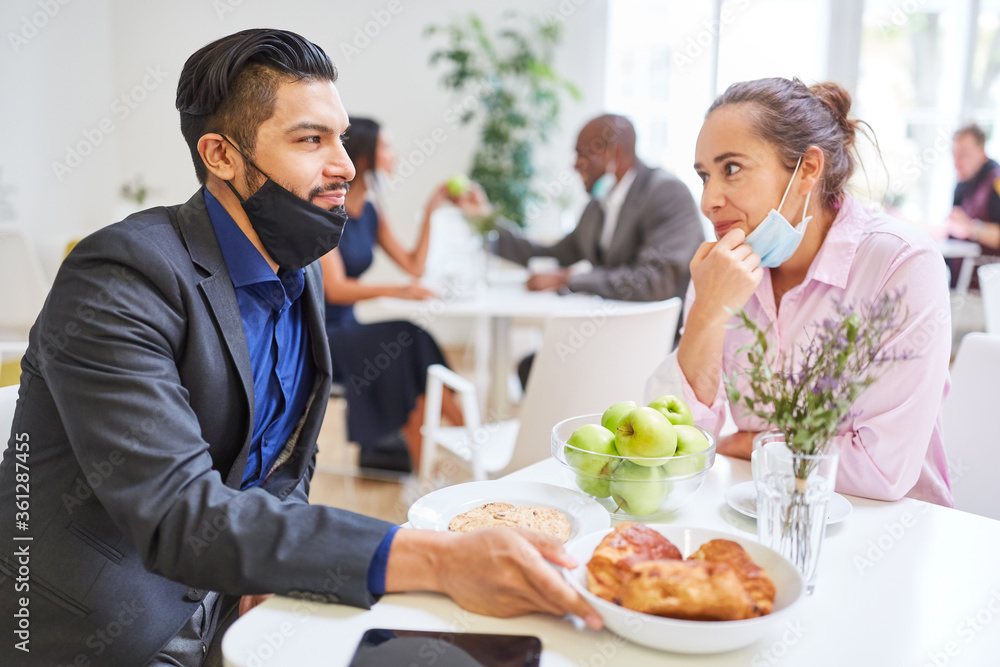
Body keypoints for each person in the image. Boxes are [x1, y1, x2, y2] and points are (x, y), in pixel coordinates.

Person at [0, 29, 600, 667]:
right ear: (221, 155)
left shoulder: (300, 264)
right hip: (107, 631)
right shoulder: (121, 276)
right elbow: (179, 514)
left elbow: (286, 463)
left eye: (340, 136)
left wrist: (271, 564)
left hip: (244, 604)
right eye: (311, 139)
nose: (343, 162)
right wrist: (437, 558)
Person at [648, 77, 953, 507]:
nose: (708, 200)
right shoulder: (720, 272)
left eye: (731, 168)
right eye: (704, 176)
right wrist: (708, 314)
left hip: (891, 529)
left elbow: (882, 471)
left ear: (809, 169)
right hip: (756, 512)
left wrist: (756, 444)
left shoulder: (901, 263)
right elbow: (668, 453)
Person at [458, 114, 704, 386]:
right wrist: (485, 219)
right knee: (534, 368)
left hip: (658, 347)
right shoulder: (598, 207)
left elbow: (654, 281)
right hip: (616, 335)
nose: (575, 165)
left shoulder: (666, 193)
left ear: (613, 152)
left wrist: (568, 279)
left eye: (582, 154)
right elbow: (551, 252)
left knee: (540, 372)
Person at [319, 117, 461, 473]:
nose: (394, 155)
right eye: (386, 147)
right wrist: (399, 291)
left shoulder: (369, 210)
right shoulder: (324, 207)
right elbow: (334, 289)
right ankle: (469, 439)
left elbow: (413, 265)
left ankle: (440, 456)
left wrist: (431, 210)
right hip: (321, 336)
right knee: (407, 336)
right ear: (364, 156)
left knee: (411, 345)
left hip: (351, 328)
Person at [947, 123, 1000, 288]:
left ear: (981, 150)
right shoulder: (962, 182)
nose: (957, 162)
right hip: (958, 283)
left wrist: (971, 227)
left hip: (984, 289)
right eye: (954, 155)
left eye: (963, 155)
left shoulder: (996, 181)